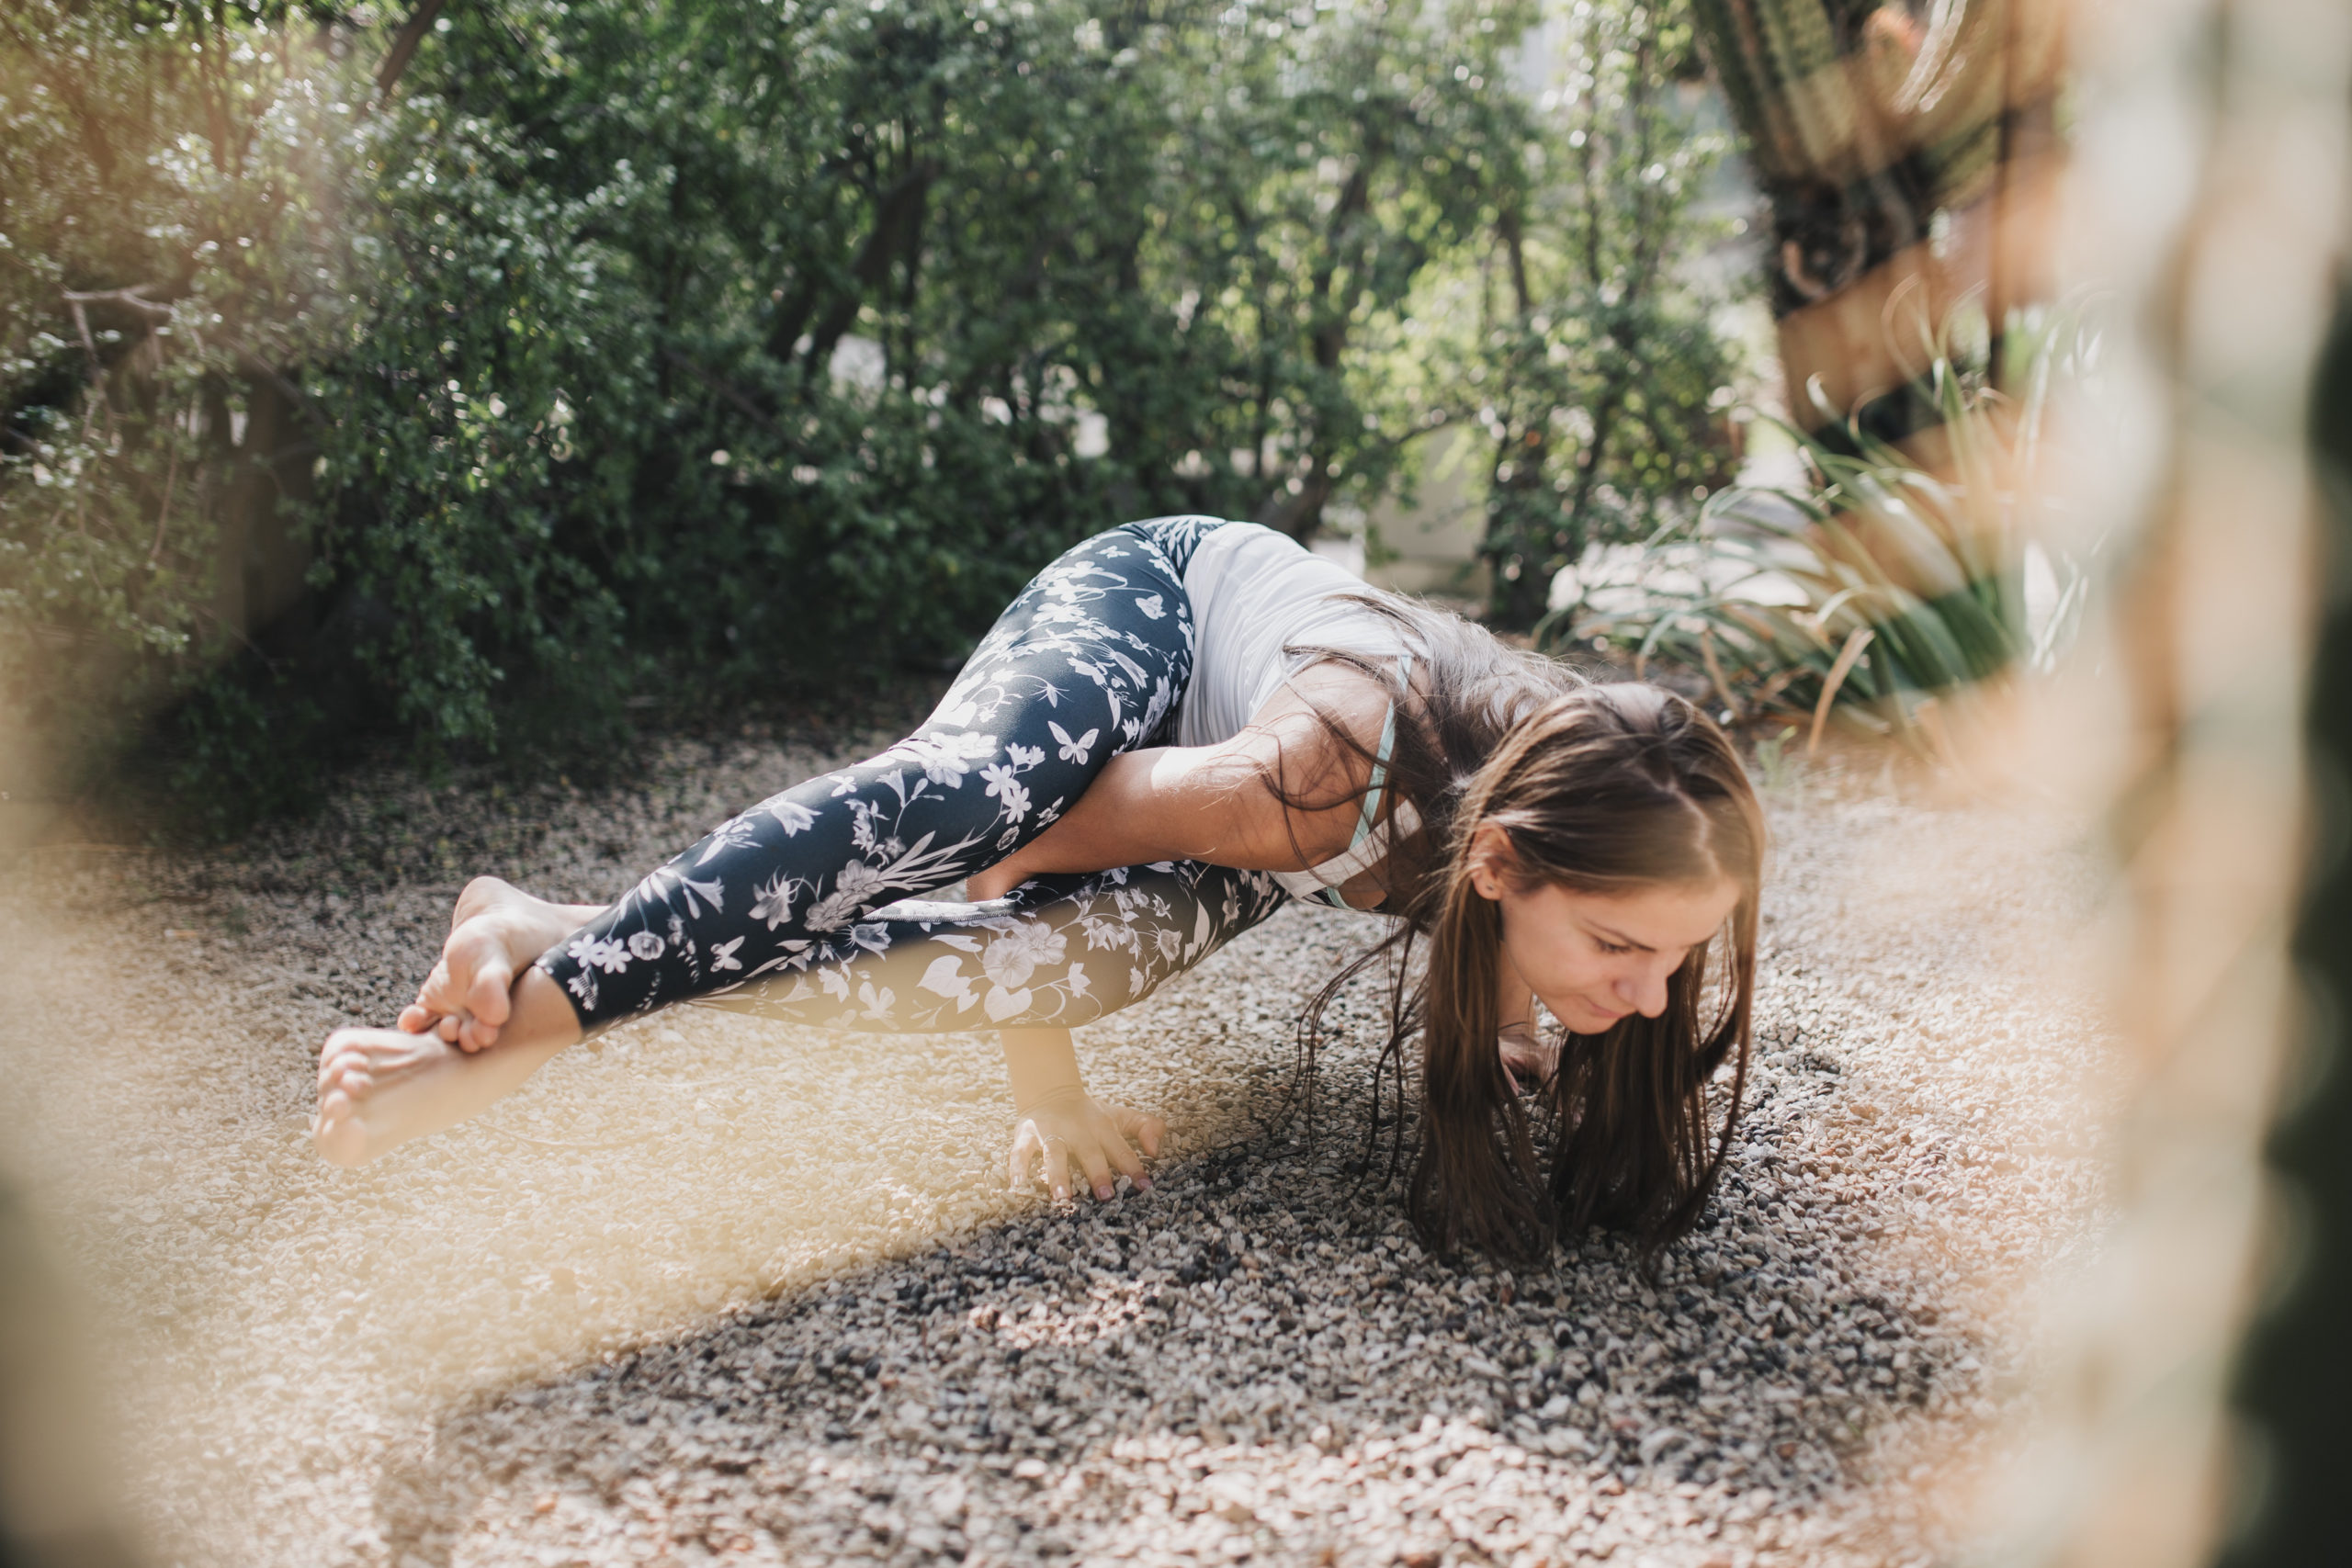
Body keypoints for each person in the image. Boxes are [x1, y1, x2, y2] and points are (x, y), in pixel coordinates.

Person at [314, 516, 1762, 1259]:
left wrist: (1529, 1008)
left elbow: (1546, 925)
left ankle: (543, 926)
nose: (1643, 1000)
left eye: (1668, 960)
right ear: (1500, 865)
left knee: (1069, 931)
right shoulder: (1313, 784)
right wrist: (1044, 1089)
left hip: (1252, 776)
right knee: (969, 804)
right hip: (1157, 608)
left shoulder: (1583, 814)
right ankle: (544, 1020)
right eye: (1625, 952)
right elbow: (1022, 854)